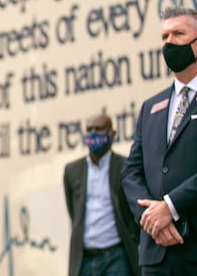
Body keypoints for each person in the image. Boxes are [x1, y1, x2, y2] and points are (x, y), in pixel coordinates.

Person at [122, 5, 197, 275]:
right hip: (157, 254)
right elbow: (131, 172)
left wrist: (171, 206)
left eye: (178, 34)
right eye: (164, 37)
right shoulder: (151, 107)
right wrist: (152, 218)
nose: (170, 43)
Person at [63, 113, 139, 276]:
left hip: (116, 256)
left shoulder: (125, 167)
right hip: (84, 258)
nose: (93, 134)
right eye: (89, 129)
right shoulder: (72, 171)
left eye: (99, 129)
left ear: (112, 134)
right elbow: (73, 211)